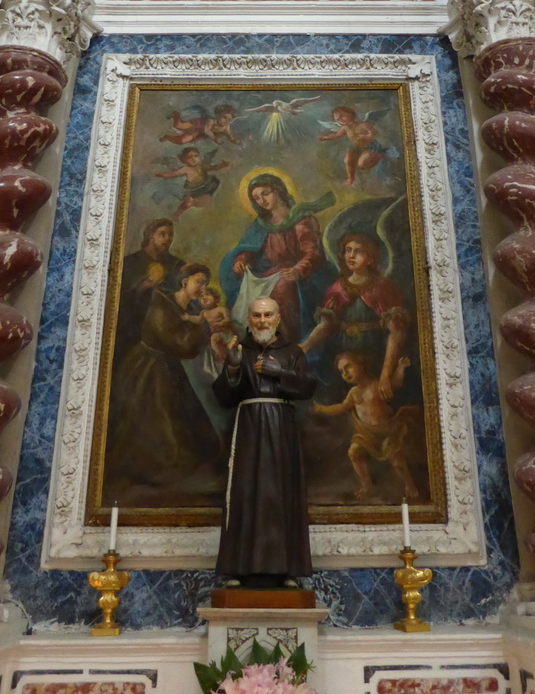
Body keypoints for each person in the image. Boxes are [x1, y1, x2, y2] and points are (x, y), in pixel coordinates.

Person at [212, 296, 318, 587]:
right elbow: (223, 397)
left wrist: (279, 372)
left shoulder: (292, 352)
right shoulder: (240, 350)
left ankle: (287, 570)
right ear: (248, 319)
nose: (262, 321)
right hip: (248, 428)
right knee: (245, 491)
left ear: (278, 318)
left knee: (282, 492)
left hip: (282, 427)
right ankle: (238, 568)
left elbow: (308, 386)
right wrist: (233, 369)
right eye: (256, 315)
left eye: (267, 315)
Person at [104, 263, 220, 502]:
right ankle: (160, 470)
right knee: (158, 420)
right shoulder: (162, 305)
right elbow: (181, 343)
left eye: (205, 283)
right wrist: (202, 329)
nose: (202, 288)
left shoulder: (192, 307)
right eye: (199, 282)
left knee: (185, 418)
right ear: (184, 282)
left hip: (167, 366)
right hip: (148, 368)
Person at [220, 173, 335, 343]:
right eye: (257, 198)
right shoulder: (262, 223)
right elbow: (250, 247)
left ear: (278, 190)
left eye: (265, 193)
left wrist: (298, 269)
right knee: (248, 295)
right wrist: (241, 260)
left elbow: (313, 253)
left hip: (298, 276)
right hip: (269, 273)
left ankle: (282, 343)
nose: (262, 201)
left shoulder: (300, 218)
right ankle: (255, 343)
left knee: (282, 289)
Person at [300, 232, 407, 397]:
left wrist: (385, 376)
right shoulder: (337, 288)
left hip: (374, 353)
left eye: (358, 251)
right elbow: (325, 325)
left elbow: (396, 333)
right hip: (340, 353)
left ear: (371, 259)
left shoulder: (383, 287)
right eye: (348, 250)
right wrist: (304, 347)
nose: (351, 255)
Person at [312, 352, 420, 501]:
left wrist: (401, 367)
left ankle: (410, 485)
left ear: (361, 364)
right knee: (354, 452)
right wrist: (321, 409)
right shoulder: (354, 393)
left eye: (348, 367)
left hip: (388, 431)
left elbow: (395, 383)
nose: (345, 373)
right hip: (367, 435)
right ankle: (368, 486)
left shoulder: (376, 385)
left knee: (397, 461)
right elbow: (341, 407)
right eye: (341, 371)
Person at [113, 218, 184, 368]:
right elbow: (117, 299)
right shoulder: (130, 263)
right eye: (162, 234)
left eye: (170, 235)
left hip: (164, 331)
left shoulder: (175, 265)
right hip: (134, 330)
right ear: (151, 236)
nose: (167, 239)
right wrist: (141, 288)